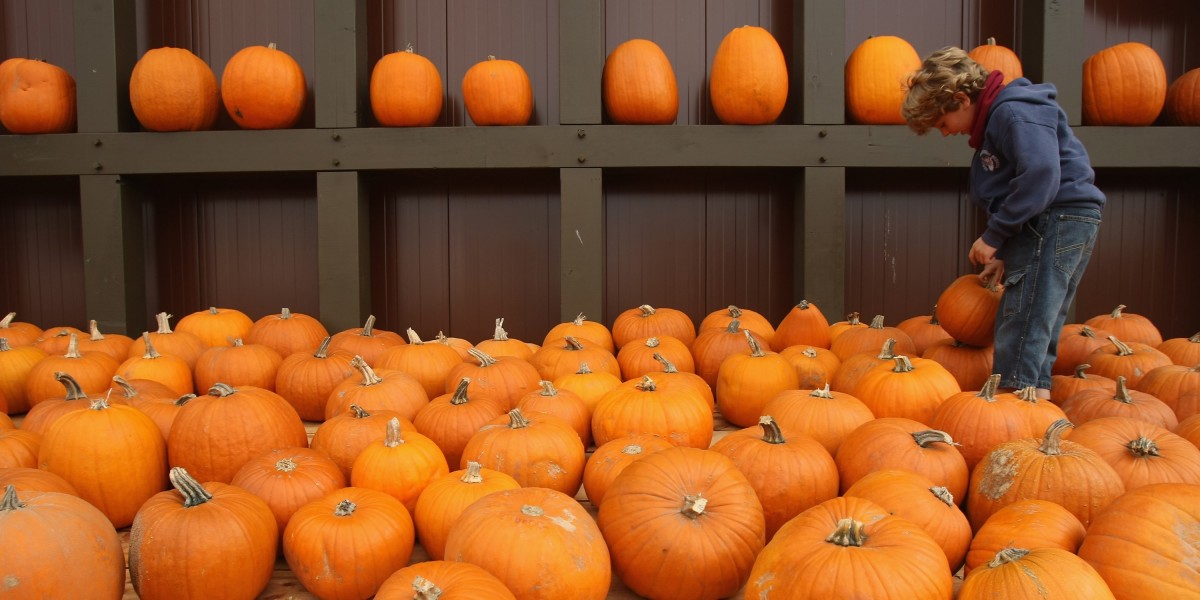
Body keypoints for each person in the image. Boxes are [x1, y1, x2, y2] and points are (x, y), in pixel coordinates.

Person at [901, 46, 1105, 400]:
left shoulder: (1013, 112)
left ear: (962, 100)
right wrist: (1007, 250)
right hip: (1055, 220)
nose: (946, 134)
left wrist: (994, 236)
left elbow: (1040, 176)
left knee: (1023, 315)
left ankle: (1015, 400)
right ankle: (1033, 398)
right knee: (1040, 313)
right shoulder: (1005, 116)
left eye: (942, 124)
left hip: (1057, 217)